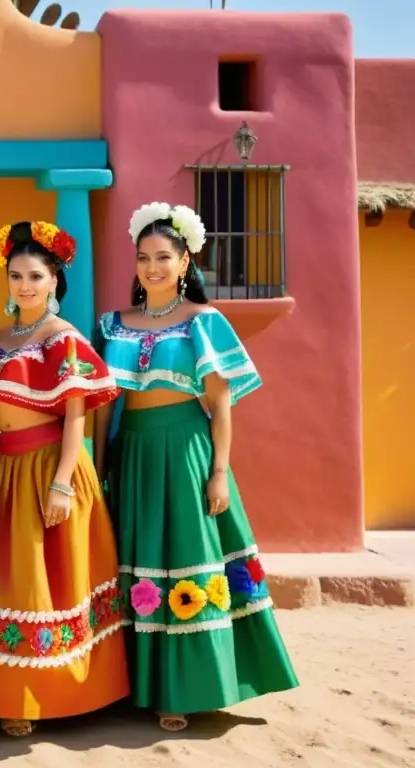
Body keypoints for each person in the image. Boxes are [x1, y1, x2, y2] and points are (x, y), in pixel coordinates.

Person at [92, 201, 299, 732]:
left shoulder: (204, 323)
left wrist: (219, 470)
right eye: (144, 258)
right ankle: (132, 685)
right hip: (131, 454)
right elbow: (100, 406)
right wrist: (97, 465)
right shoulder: (113, 325)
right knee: (134, 561)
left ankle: (180, 690)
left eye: (164, 257)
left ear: (185, 262)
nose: (153, 267)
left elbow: (220, 403)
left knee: (184, 557)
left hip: (186, 451)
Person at [0, 221, 129, 737]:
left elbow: (76, 416)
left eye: (35, 275)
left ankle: (45, 696)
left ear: (54, 279)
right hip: (6, 471)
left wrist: (62, 484)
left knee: (48, 584)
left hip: (53, 467)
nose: (24, 285)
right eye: (15, 275)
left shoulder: (65, 340)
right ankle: (0, 691)